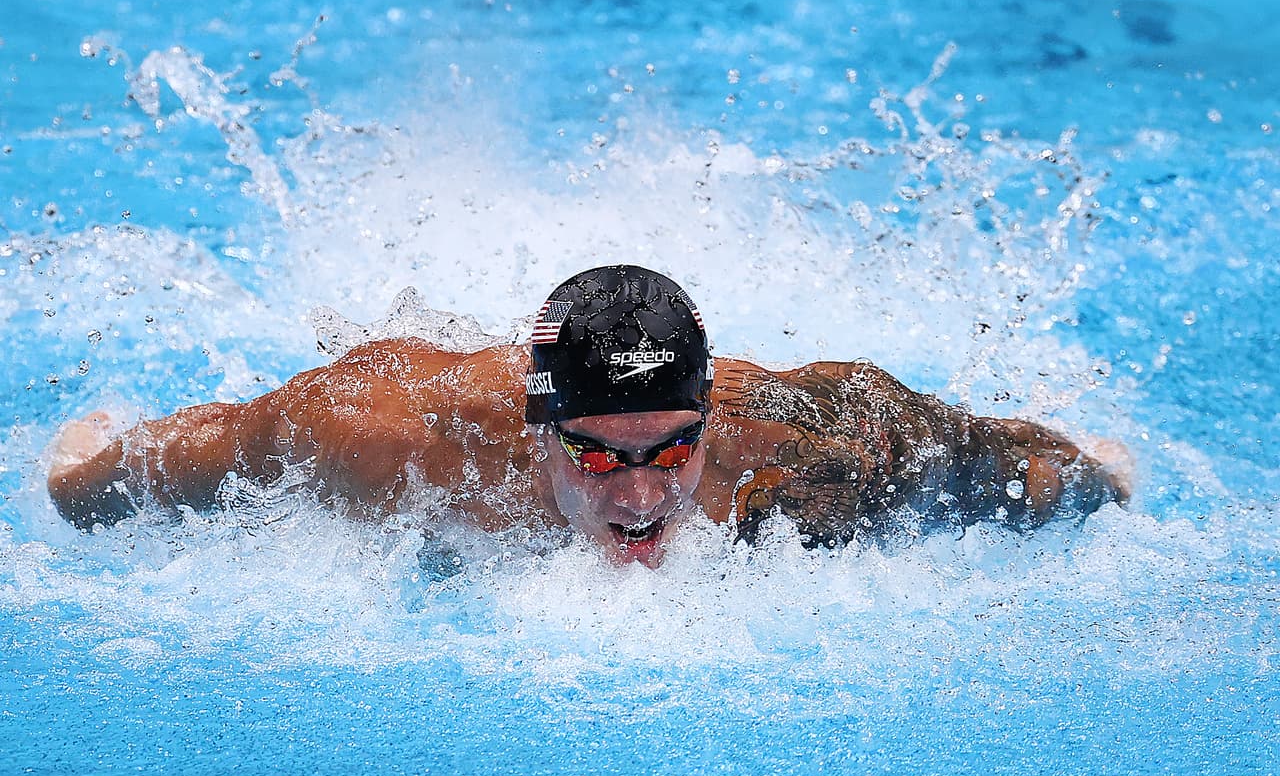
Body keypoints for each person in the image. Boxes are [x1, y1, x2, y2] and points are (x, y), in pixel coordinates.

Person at [47, 264, 1129, 567]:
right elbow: (189, 458)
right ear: (534, 426)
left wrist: (1090, 476)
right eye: (597, 457)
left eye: (671, 448)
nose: (643, 495)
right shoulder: (375, 437)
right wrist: (78, 474)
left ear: (709, 417)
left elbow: (993, 459)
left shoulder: (794, 433)